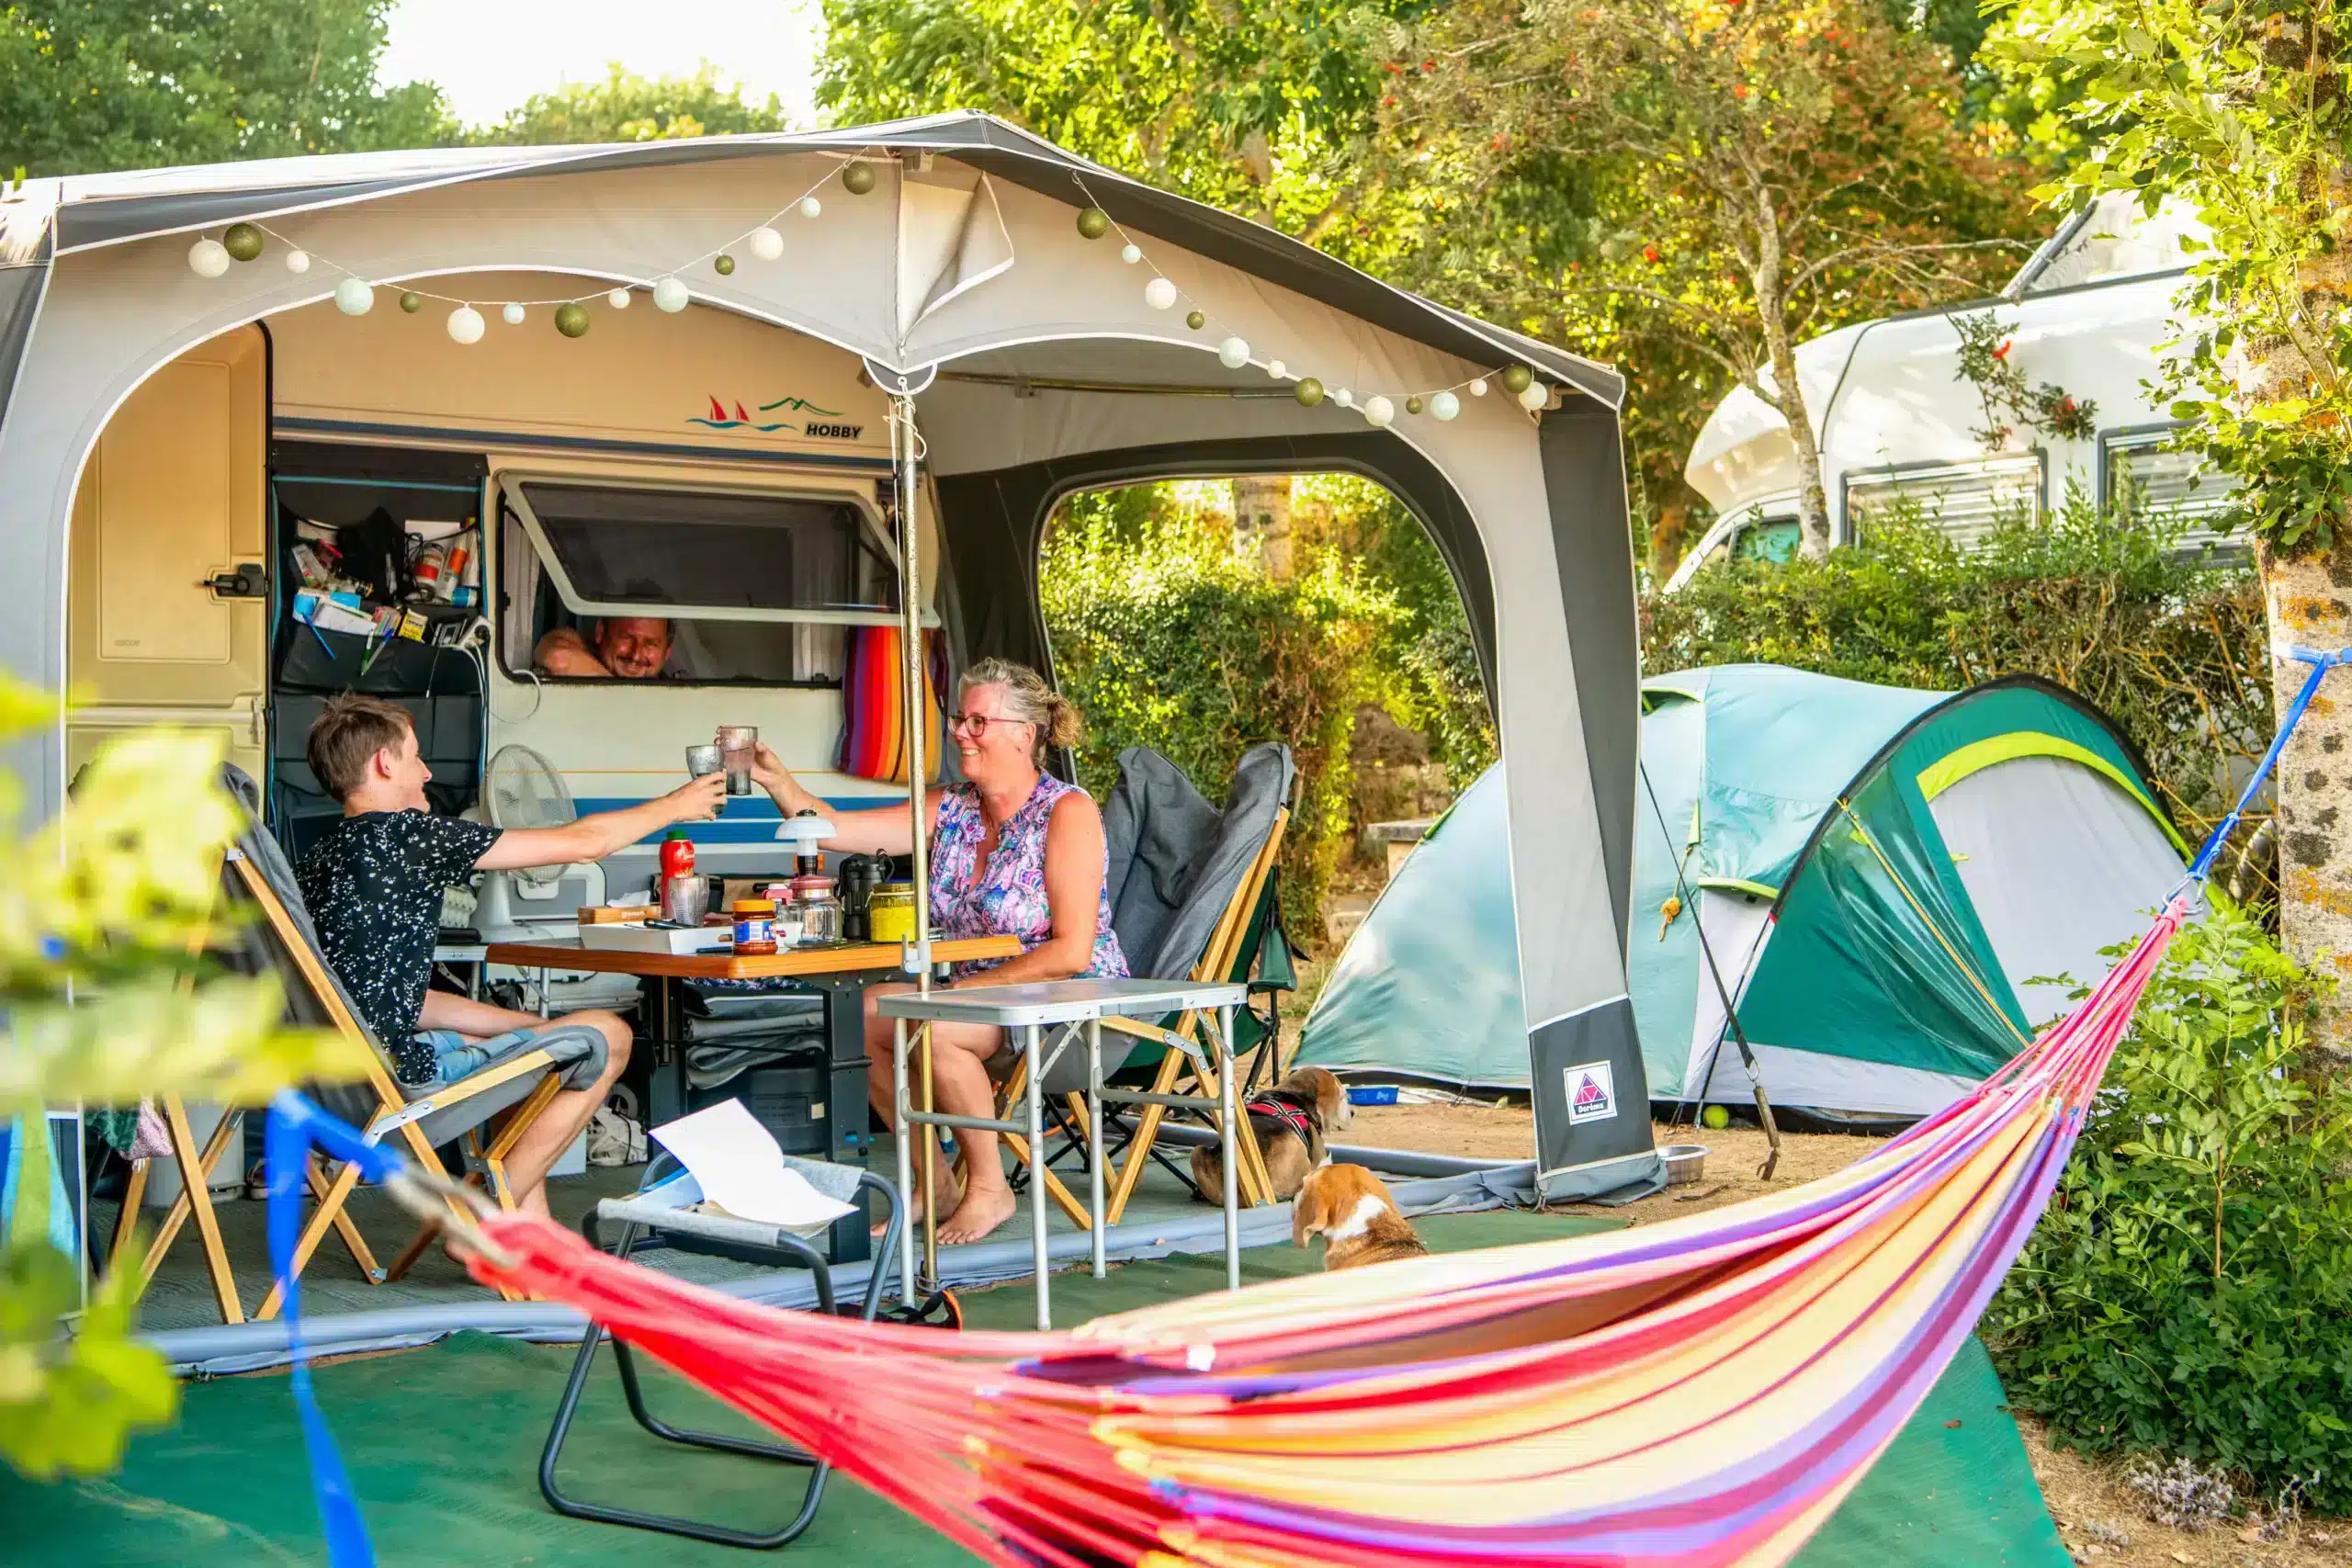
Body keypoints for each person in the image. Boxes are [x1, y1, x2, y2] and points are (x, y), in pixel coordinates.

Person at [294, 694, 726, 1216]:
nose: (427, 773)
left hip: (334, 1084)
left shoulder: (321, 856)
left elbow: (390, 999)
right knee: (610, 1034)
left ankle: (528, 1232)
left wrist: (524, 1025)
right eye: (415, 757)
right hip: (397, 1081)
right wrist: (677, 806)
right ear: (384, 764)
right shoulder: (408, 835)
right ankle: (486, 1211)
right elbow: (583, 842)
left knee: (528, 1046)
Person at [752, 657, 1127, 1245]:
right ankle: (937, 1182)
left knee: (934, 1024)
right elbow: (831, 828)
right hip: (977, 1004)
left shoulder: (1067, 812)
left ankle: (989, 1188)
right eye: (960, 719)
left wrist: (957, 993)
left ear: (1024, 735)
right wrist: (777, 780)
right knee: (867, 1012)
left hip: (1071, 1013)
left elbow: (1071, 952)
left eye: (979, 722)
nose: (960, 732)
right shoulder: (950, 808)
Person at [534, 615, 674, 679]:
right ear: (600, 633)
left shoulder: (678, 700)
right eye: (627, 638)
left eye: (651, 644)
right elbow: (556, 655)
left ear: (667, 652)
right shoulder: (583, 651)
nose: (636, 655)